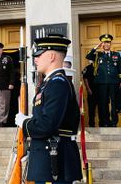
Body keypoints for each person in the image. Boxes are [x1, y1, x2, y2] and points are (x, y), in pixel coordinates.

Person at [14, 35, 82, 183]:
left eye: (39, 55)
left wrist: (25, 122)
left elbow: (47, 125)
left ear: (51, 56)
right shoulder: (49, 83)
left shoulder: (57, 83)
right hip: (47, 160)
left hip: (55, 160)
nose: (35, 59)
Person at [86, 34, 121, 127]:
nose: (107, 44)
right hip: (101, 83)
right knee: (103, 103)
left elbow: (120, 68)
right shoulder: (98, 54)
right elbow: (88, 56)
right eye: (105, 43)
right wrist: (96, 47)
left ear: (110, 44)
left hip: (114, 82)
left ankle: (114, 122)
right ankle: (105, 122)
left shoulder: (116, 54)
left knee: (114, 103)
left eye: (108, 42)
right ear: (102, 44)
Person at [82, 60, 98, 127]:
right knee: (91, 110)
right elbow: (85, 78)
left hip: (101, 92)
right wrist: (88, 89)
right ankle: (91, 125)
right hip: (91, 92)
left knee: (103, 110)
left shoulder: (102, 67)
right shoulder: (88, 68)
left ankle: (103, 125)